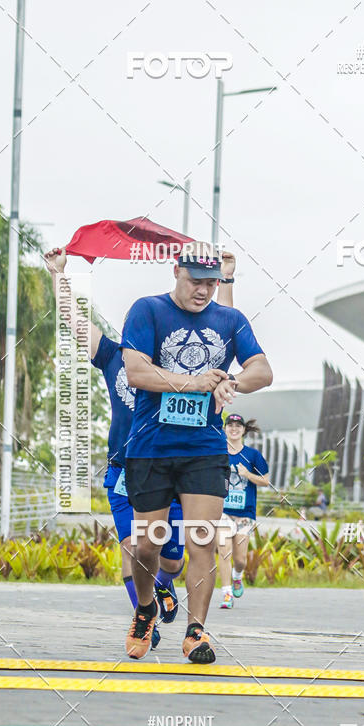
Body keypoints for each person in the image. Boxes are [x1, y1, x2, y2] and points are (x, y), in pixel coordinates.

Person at [121, 243, 272, 661]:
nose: (203, 291)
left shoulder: (230, 319)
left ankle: (196, 631)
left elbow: (263, 369)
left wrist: (233, 383)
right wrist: (195, 382)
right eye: (195, 282)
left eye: (211, 283)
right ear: (176, 272)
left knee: (201, 538)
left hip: (204, 448)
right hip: (151, 447)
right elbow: (136, 371)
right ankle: (146, 608)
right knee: (147, 544)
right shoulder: (147, 310)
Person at [43, 247, 198, 648]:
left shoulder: (172, 363)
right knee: (132, 546)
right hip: (124, 468)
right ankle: (144, 617)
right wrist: (59, 274)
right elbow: (77, 323)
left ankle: (163, 586)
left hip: (171, 469)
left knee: (172, 559)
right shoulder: (112, 355)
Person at [217, 414, 269, 608]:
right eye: (230, 425)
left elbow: (265, 480)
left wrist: (247, 474)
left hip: (245, 513)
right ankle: (226, 594)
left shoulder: (253, 455)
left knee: (239, 560)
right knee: (224, 552)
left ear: (244, 430)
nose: (233, 429)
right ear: (225, 429)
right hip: (222, 511)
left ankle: (237, 575)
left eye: (238, 426)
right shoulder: (218, 452)